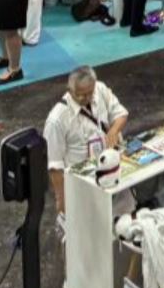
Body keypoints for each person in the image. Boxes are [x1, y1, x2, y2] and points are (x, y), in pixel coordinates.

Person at [42, 66, 129, 214]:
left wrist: (114, 131)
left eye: (89, 93)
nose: (86, 98)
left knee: (122, 214)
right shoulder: (56, 120)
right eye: (80, 95)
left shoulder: (100, 89)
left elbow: (122, 114)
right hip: (82, 182)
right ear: (69, 90)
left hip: (111, 166)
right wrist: (61, 199)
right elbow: (54, 165)